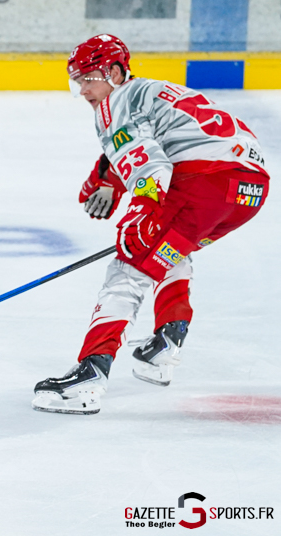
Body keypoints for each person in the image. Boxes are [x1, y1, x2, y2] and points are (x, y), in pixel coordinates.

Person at [32, 34, 270, 415]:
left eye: (89, 79)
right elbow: (151, 143)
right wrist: (107, 180)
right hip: (249, 192)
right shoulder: (154, 92)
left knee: (129, 263)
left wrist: (142, 211)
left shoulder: (113, 102)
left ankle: (90, 375)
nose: (84, 90)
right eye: (77, 82)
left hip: (205, 181)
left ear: (114, 73)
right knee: (169, 248)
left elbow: (151, 163)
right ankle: (165, 345)